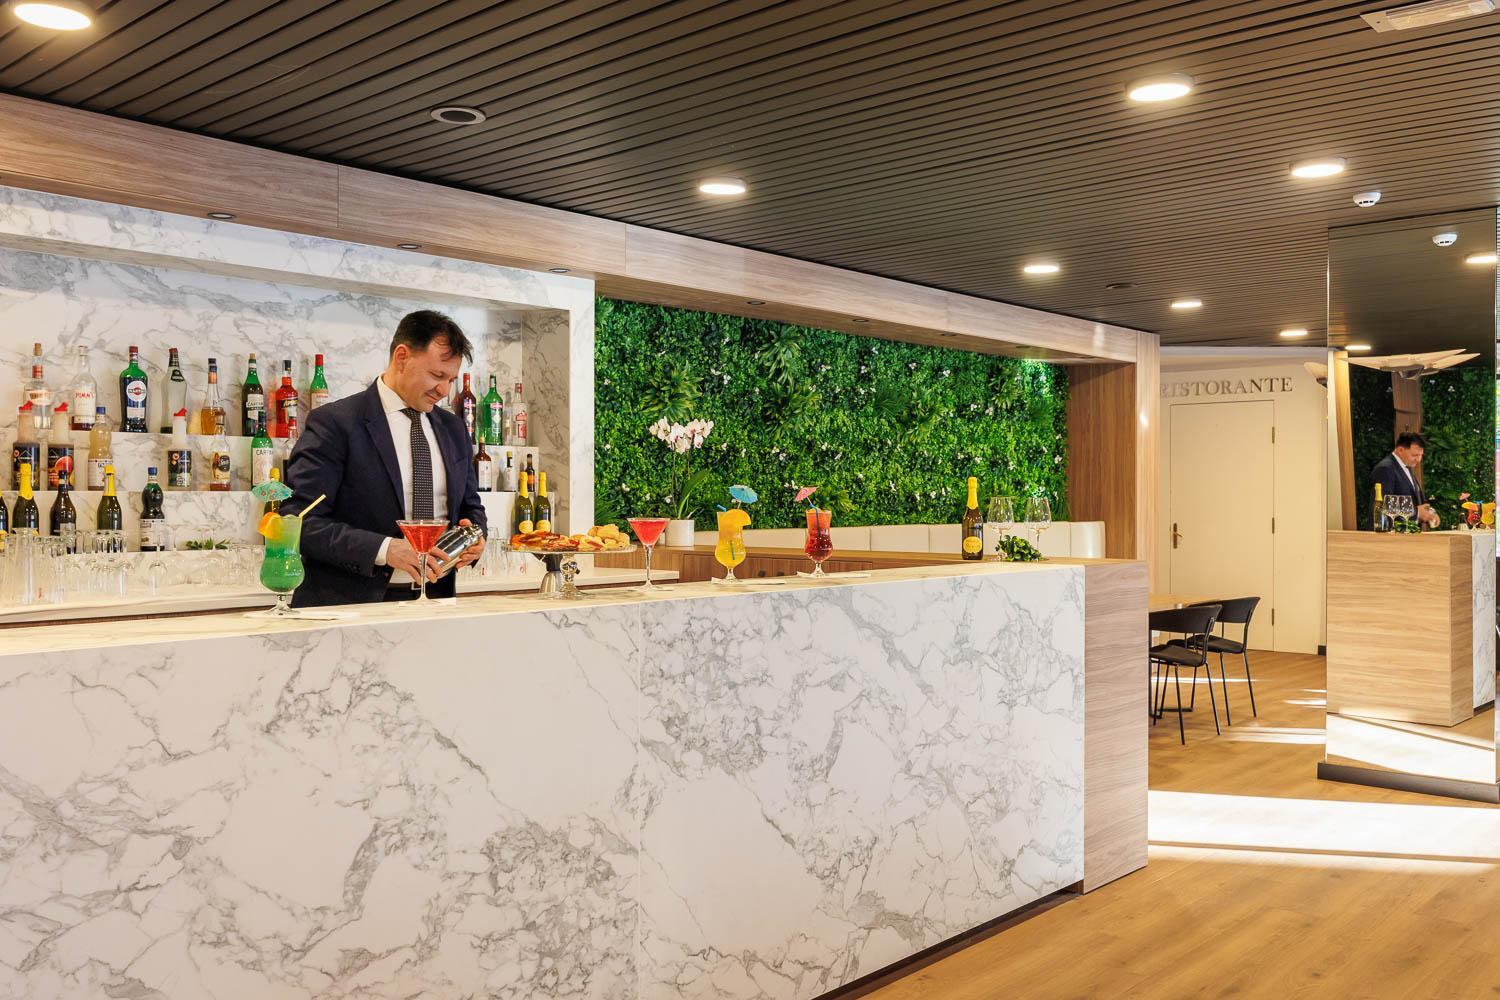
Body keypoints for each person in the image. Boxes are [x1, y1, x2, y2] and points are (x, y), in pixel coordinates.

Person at [283, 310, 487, 606]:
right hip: (350, 605)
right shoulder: (335, 423)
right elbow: (298, 521)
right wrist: (385, 549)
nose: (444, 391)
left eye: (451, 380)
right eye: (436, 375)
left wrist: (476, 537)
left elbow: (471, 505)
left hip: (436, 601)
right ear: (401, 357)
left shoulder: (453, 428)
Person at [1370, 431, 1440, 529]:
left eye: (1421, 455)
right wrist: (1417, 512)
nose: (1419, 460)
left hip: (1408, 533)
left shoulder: (1406, 466)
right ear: (1400, 450)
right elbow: (1383, 505)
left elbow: (1416, 501)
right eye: (1414, 455)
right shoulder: (1385, 468)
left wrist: (1430, 513)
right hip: (1390, 534)